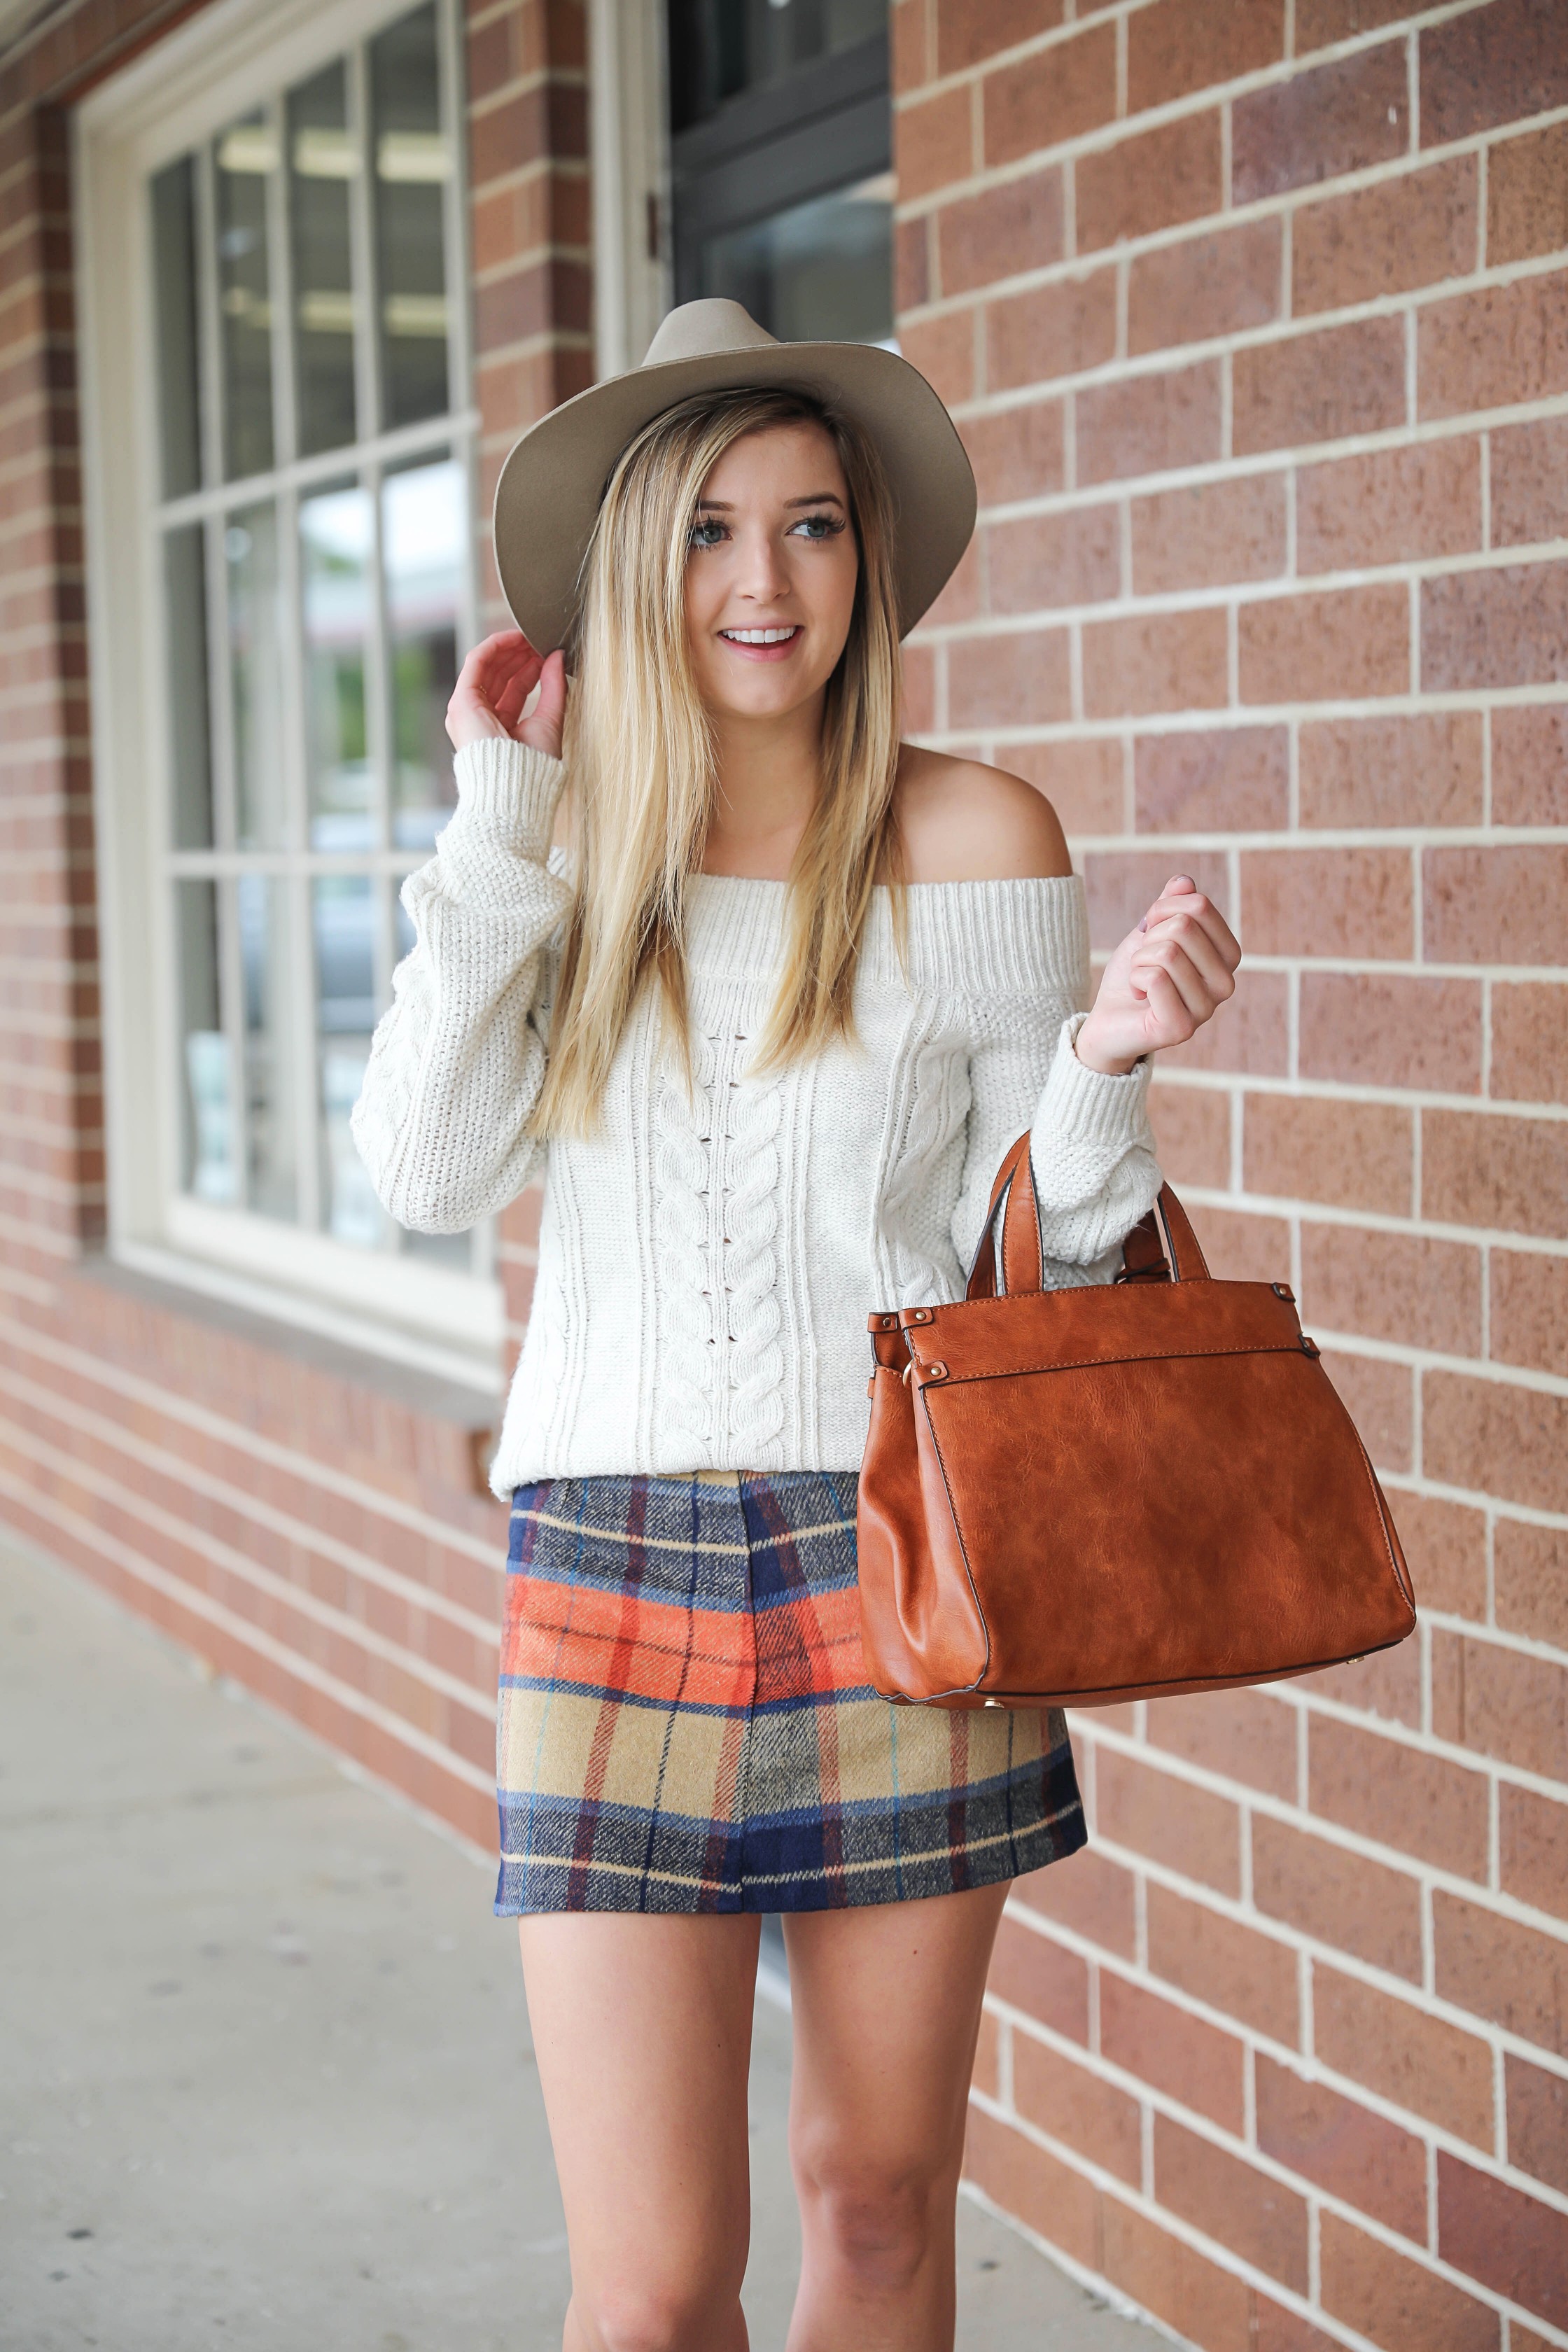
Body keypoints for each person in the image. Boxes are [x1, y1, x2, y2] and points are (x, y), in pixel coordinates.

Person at [352, 300, 1238, 2352]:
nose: (767, 581)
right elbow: (422, 1166)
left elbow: (1059, 1290)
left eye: (817, 525)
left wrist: (1102, 1068)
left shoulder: (978, 836)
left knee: (872, 2205)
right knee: (651, 2289)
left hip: (900, 1560)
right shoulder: (561, 846)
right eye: (710, 530)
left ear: (872, 560)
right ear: (633, 567)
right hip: (609, 1571)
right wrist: (498, 812)